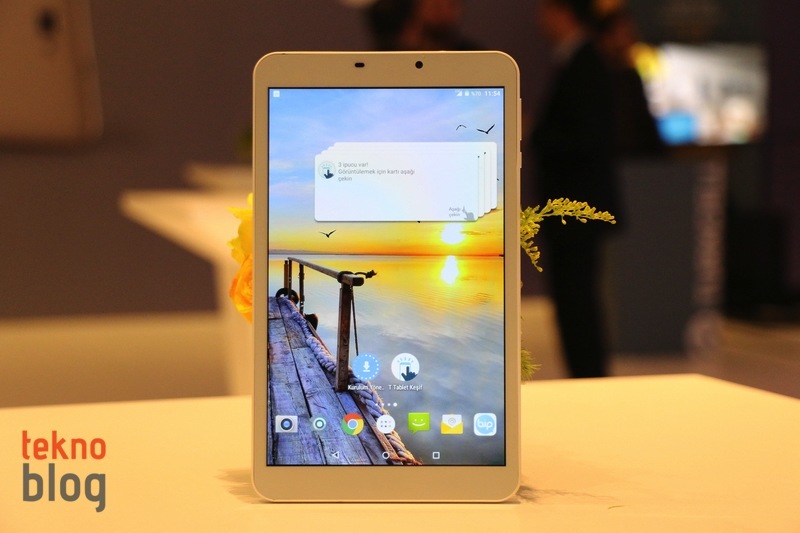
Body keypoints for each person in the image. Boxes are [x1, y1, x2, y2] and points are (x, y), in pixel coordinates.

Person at [530, 0, 618, 378]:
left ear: (563, 12)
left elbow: (587, 137)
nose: (540, 19)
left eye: (546, 10)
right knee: (574, 298)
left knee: (577, 299)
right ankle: (586, 375)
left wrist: (537, 134)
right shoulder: (579, 59)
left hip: (576, 209)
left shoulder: (584, 62)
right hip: (573, 208)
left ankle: (589, 377)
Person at [595, 7, 665, 157]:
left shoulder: (629, 76)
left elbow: (643, 124)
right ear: (606, 39)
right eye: (624, 35)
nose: (631, 41)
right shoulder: (596, 79)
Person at [365, 0, 479, 51]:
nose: (445, 12)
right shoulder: (390, 54)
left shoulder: (472, 54)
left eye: (451, 5)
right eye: (436, 5)